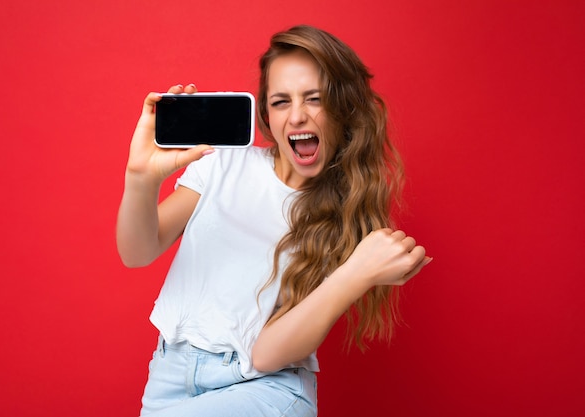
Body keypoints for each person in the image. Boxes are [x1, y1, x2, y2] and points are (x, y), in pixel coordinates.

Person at [116, 24, 431, 417]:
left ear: (343, 108)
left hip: (265, 389)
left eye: (314, 99)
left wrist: (357, 273)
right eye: (281, 101)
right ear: (265, 113)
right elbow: (138, 251)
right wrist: (141, 178)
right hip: (168, 376)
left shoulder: (345, 218)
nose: (297, 116)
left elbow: (266, 356)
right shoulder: (223, 163)